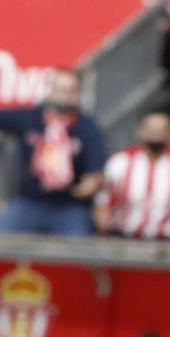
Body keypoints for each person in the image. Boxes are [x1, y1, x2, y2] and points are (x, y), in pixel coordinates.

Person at [0, 69, 106, 236]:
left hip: (69, 205)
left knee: (79, 250)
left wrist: (92, 183)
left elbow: (96, 170)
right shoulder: (29, 118)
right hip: (30, 201)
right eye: (61, 90)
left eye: (71, 90)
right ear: (50, 91)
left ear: (78, 93)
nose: (66, 96)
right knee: (4, 240)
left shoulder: (87, 127)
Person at [97, 110, 170, 244]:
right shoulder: (119, 162)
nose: (156, 133)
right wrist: (102, 223)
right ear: (139, 131)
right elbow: (102, 204)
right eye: (151, 128)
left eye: (162, 129)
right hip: (125, 237)